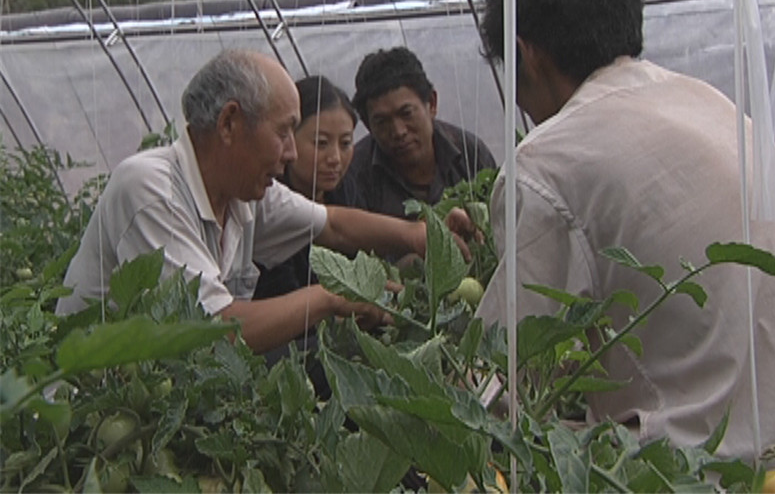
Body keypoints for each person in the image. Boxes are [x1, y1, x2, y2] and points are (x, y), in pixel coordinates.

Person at [475, 0, 775, 463]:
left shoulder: (546, 162)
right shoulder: (705, 102)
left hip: (711, 471)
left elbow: (504, 372)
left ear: (523, 53)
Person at [55, 49, 473, 354]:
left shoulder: (242, 194)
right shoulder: (150, 190)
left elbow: (331, 224)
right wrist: (331, 298)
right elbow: (215, 330)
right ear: (229, 123)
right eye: (284, 132)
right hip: (91, 422)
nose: (291, 152)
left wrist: (421, 235)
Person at [345, 45, 497, 221]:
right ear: (367, 124)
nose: (398, 131)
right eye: (382, 122)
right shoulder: (356, 175)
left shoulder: (470, 153)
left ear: (431, 104)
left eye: (406, 113)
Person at [252, 74, 360, 303]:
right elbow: (278, 298)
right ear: (287, 138)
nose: (335, 158)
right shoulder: (267, 200)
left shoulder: (347, 190)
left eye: (346, 143)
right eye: (321, 143)